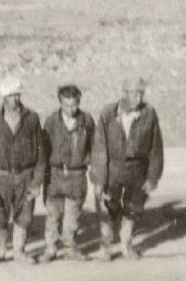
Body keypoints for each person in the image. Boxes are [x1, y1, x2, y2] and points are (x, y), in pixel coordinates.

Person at [90, 78, 164, 261]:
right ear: (123, 94)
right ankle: (105, 247)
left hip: (137, 171)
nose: (138, 98)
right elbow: (99, 149)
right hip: (112, 169)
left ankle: (126, 245)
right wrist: (99, 181)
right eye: (134, 94)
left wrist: (152, 177)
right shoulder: (108, 114)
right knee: (107, 210)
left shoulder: (149, 114)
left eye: (141, 94)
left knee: (133, 209)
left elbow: (156, 148)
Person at [0, 76, 45, 264]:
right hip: (1, 178)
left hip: (25, 176)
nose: (15, 99)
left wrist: (37, 182)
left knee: (24, 216)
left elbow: (41, 155)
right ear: (3, 97)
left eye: (17, 95)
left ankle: (19, 251)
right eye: (10, 96)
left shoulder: (32, 118)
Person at [40, 84, 96, 262]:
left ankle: (69, 248)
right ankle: (50, 248)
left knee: (73, 216)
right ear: (60, 103)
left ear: (79, 102)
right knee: (53, 214)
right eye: (66, 105)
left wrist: (87, 161)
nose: (71, 109)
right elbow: (43, 149)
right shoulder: (51, 121)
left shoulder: (87, 120)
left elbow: (94, 146)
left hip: (76, 175)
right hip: (55, 174)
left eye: (74, 104)